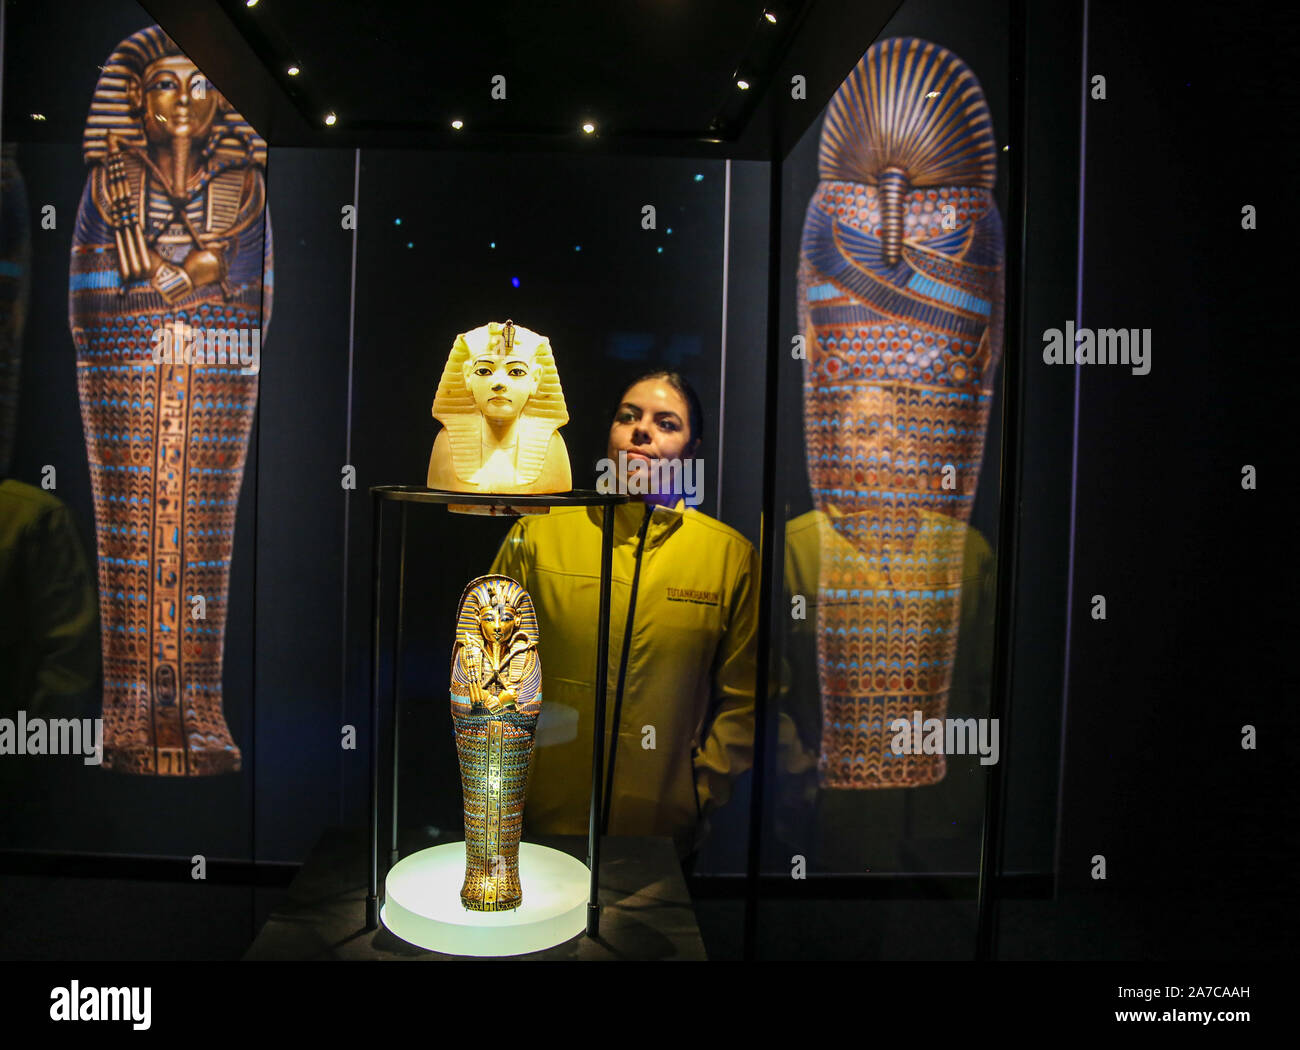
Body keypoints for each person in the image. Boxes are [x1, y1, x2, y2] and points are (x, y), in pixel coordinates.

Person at [489, 370, 810, 862]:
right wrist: (506, 790)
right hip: (539, 826)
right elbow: (487, 670)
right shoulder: (537, 535)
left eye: (666, 423)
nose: (642, 430)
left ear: (692, 448)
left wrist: (697, 795)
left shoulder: (727, 557)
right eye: (628, 416)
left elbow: (748, 700)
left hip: (662, 838)